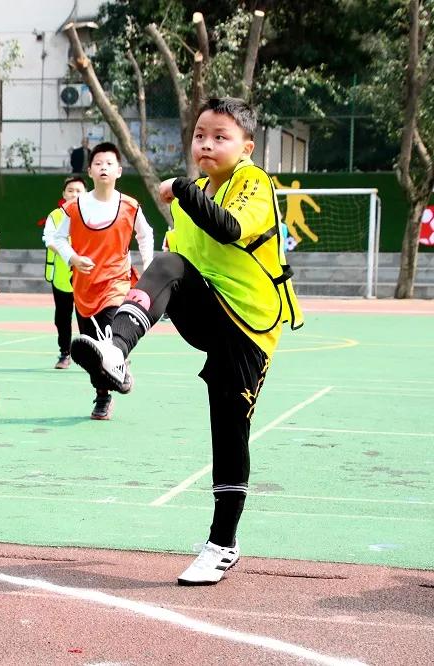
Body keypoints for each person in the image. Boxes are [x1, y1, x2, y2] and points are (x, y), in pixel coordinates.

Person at [71, 97, 302, 585]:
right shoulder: (193, 194)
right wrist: (184, 197)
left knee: (228, 427)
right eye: (201, 134)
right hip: (209, 313)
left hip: (249, 327)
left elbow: (230, 228)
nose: (207, 144)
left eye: (221, 136)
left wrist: (179, 190)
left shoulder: (252, 183)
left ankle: (222, 543)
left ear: (247, 146)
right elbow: (176, 269)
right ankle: (115, 351)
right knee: (168, 264)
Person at [45, 142, 153, 420]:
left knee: (110, 334)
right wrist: (73, 258)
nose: (103, 167)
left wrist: (148, 265)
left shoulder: (129, 206)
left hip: (117, 283)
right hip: (83, 287)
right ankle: (102, 394)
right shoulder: (75, 207)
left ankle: (120, 365)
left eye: (109, 163)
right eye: (98, 163)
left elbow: (145, 235)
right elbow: (56, 239)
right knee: (92, 349)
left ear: (118, 170)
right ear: (90, 171)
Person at [42, 176, 88, 369]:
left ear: (86, 193)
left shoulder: (91, 215)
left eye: (78, 190)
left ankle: (90, 355)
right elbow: (49, 239)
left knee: (87, 316)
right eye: (70, 190)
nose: (74, 194)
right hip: (62, 276)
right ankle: (64, 353)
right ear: (64, 193)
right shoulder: (55, 216)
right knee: (62, 317)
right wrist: (68, 253)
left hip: (86, 275)